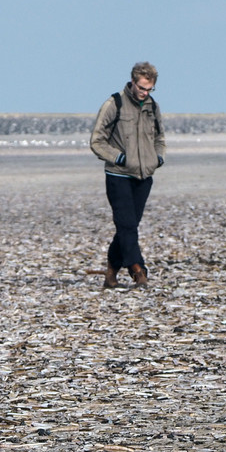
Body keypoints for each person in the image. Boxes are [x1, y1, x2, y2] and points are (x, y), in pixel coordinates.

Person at [90, 61, 167, 289]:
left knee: (129, 226)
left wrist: (158, 157)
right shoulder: (114, 103)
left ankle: (111, 273)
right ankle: (137, 269)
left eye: (149, 89)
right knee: (126, 225)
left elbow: (159, 137)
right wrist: (119, 158)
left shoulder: (152, 106)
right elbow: (96, 140)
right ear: (133, 82)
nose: (145, 93)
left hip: (144, 176)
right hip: (118, 175)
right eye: (142, 88)